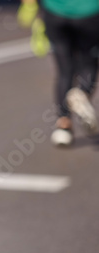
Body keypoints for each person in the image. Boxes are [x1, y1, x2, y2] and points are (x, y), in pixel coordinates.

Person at [37, 0, 99, 146]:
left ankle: (63, 125)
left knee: (64, 70)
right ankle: (82, 93)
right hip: (88, 12)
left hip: (55, 11)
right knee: (88, 63)